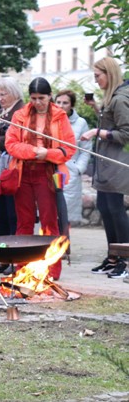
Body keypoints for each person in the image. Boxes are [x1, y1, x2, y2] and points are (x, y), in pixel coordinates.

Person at [5, 77, 76, 280]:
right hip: (23, 173)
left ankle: (51, 271)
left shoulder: (60, 116)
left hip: (49, 174)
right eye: (34, 98)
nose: (37, 102)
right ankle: (21, 269)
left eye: (42, 98)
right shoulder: (19, 115)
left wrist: (48, 155)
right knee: (24, 223)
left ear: (50, 96)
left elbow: (69, 148)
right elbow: (11, 145)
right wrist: (36, 151)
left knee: (49, 222)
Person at [81, 57, 129, 279]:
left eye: (98, 76)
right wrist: (97, 109)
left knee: (116, 211)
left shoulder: (120, 99)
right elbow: (111, 123)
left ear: (109, 74)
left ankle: (125, 259)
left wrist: (96, 132)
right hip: (105, 164)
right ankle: (113, 256)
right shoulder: (111, 98)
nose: (96, 80)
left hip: (116, 164)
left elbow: (125, 134)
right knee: (105, 208)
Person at [0, 78, 24, 274]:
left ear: (14, 92)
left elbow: (20, 136)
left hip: (12, 170)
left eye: (3, 94)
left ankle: (15, 258)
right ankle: (2, 258)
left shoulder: (22, 111)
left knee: (12, 216)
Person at [55, 90, 91, 225]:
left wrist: (79, 169)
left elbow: (86, 149)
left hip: (71, 171)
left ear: (72, 105)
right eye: (58, 102)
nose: (61, 105)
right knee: (50, 215)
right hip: (50, 169)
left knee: (67, 218)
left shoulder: (81, 123)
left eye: (65, 102)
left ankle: (65, 245)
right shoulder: (48, 120)